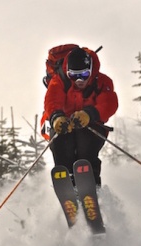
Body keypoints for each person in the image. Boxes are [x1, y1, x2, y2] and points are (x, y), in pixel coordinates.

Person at [44, 46, 118, 186]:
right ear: (68, 72)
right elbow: (52, 100)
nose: (79, 80)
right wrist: (56, 117)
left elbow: (109, 103)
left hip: (91, 124)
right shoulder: (59, 81)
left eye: (83, 75)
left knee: (87, 146)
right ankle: (66, 180)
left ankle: (91, 184)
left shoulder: (102, 82)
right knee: (61, 143)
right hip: (64, 123)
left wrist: (90, 114)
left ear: (91, 70)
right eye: (74, 75)